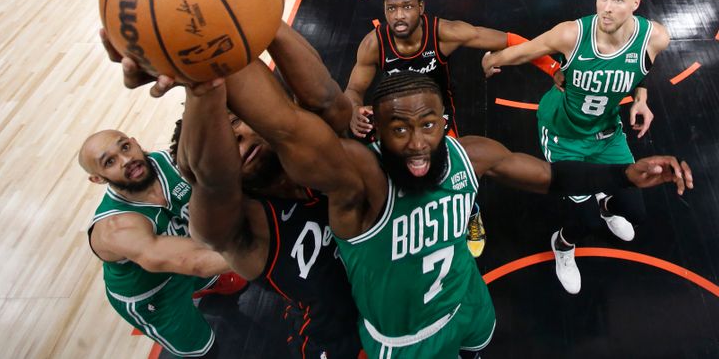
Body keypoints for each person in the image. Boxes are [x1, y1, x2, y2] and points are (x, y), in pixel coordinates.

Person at [183, 23, 691, 358]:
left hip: (467, 300)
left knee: (480, 340)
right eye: (398, 130)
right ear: (374, 135)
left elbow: (552, 177)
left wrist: (623, 176)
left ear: (445, 121)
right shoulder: (358, 182)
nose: (417, 143)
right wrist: (212, 62)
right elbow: (293, 121)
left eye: (429, 124)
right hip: (400, 342)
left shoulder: (472, 154)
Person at [102, 25, 363, 359]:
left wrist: (254, 18)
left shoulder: (313, 151)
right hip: (343, 344)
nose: (235, 138)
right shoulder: (244, 227)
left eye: (236, 122)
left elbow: (326, 100)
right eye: (222, 138)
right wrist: (199, 88)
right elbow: (209, 177)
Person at [481, 0, 671, 294]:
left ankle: (605, 204)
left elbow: (641, 72)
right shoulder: (572, 34)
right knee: (583, 222)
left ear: (635, 4)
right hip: (564, 136)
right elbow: (525, 51)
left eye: (618, 0)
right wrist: (492, 59)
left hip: (607, 134)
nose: (607, 8)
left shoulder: (655, 38)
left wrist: (641, 98)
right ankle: (563, 246)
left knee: (634, 210)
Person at [344, 0, 562, 258]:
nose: (399, 16)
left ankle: (471, 213)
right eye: (391, 9)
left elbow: (509, 40)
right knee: (396, 176)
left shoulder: (444, 33)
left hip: (437, 117)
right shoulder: (374, 44)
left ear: (421, 7)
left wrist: (552, 67)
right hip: (397, 119)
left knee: (456, 172)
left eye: (407, 7)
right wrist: (352, 109)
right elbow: (353, 89)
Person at [81, 129, 234, 359]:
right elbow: (186, 261)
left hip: (190, 253)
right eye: (110, 161)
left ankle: (207, 284)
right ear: (98, 178)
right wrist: (260, 251)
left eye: (124, 147)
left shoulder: (169, 161)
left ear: (134, 142)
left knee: (231, 279)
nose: (126, 160)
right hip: (154, 293)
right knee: (204, 350)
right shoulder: (115, 227)